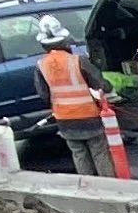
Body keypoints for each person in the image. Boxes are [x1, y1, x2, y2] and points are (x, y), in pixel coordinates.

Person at [33, 14, 114, 178]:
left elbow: (43, 95)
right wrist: (108, 87)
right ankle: (108, 188)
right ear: (64, 41)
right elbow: (101, 85)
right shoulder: (78, 60)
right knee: (100, 153)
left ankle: (87, 188)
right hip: (88, 116)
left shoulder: (40, 66)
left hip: (64, 119)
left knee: (79, 154)